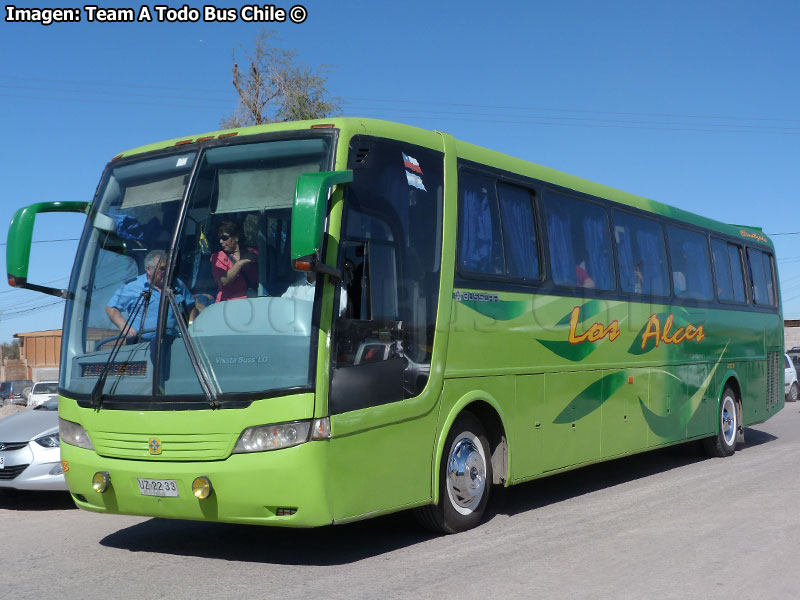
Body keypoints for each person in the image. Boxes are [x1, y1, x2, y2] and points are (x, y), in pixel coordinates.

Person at [105, 249, 197, 341]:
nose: (167, 273)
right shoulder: (132, 286)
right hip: (140, 343)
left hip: (172, 342)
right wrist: (124, 326)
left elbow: (191, 307)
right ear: (148, 269)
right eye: (162, 269)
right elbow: (111, 308)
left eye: (169, 268)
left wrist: (191, 329)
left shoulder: (177, 284)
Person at [210, 220, 259, 302]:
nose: (221, 241)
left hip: (251, 302)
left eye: (224, 238)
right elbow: (223, 281)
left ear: (236, 237)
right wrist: (240, 263)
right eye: (220, 238)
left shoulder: (252, 252)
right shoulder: (219, 256)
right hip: (227, 305)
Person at [282, 271, 348, 316]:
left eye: (311, 259)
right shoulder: (295, 286)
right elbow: (282, 306)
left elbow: (338, 313)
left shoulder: (337, 286)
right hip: (296, 333)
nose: (307, 263)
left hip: (320, 333)